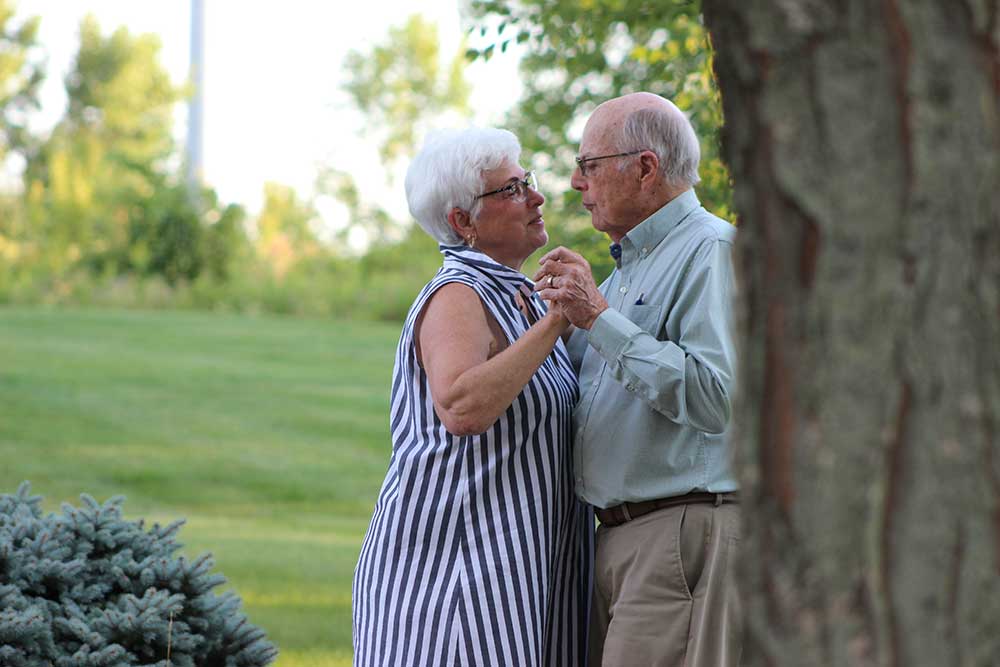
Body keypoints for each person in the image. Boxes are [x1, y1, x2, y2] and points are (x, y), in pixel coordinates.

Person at [353, 127, 594, 667]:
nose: (535, 197)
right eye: (511, 190)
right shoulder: (458, 293)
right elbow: (461, 406)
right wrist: (558, 319)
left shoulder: (517, 297)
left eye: (526, 181)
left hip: (516, 569)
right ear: (463, 222)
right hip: (453, 576)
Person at [535, 92, 741, 666]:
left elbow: (715, 396)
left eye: (588, 166)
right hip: (621, 538)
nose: (577, 183)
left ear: (645, 168)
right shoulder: (629, 265)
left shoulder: (712, 252)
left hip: (675, 531)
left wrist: (598, 318)